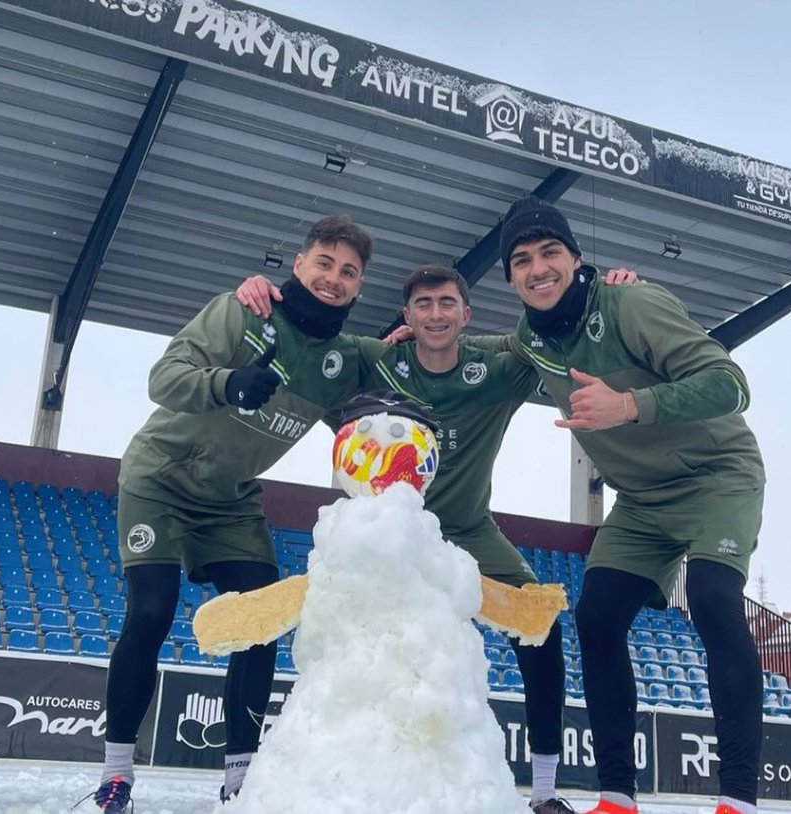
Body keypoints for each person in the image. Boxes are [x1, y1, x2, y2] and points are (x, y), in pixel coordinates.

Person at [237, 263, 635, 813]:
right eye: (423, 304)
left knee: (540, 629)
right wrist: (261, 290)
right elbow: (312, 336)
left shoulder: (495, 371)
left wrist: (611, 293)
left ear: (466, 314)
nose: (436, 314)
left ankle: (544, 790)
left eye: (447, 303)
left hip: (470, 530)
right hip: (394, 532)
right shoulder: (381, 361)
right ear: (407, 315)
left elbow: (546, 331)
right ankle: (323, 763)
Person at [87, 215, 386, 812]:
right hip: (161, 479)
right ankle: (117, 774)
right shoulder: (243, 310)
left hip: (230, 501)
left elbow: (383, 395)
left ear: (359, 286)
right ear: (298, 264)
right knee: (151, 611)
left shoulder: (344, 359)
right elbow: (163, 379)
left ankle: (240, 778)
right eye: (324, 263)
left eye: (348, 272)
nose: (333, 278)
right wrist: (227, 383)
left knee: (260, 621)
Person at [498, 196, 766, 814]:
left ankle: (739, 801)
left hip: (715, 476)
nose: (538, 269)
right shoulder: (530, 339)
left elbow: (731, 385)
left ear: (576, 258)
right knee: (595, 618)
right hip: (643, 501)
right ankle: (616, 796)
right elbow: (481, 353)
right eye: (522, 260)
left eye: (550, 252)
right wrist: (419, 335)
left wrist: (629, 405)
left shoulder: (633, 303)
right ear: (510, 278)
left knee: (713, 599)